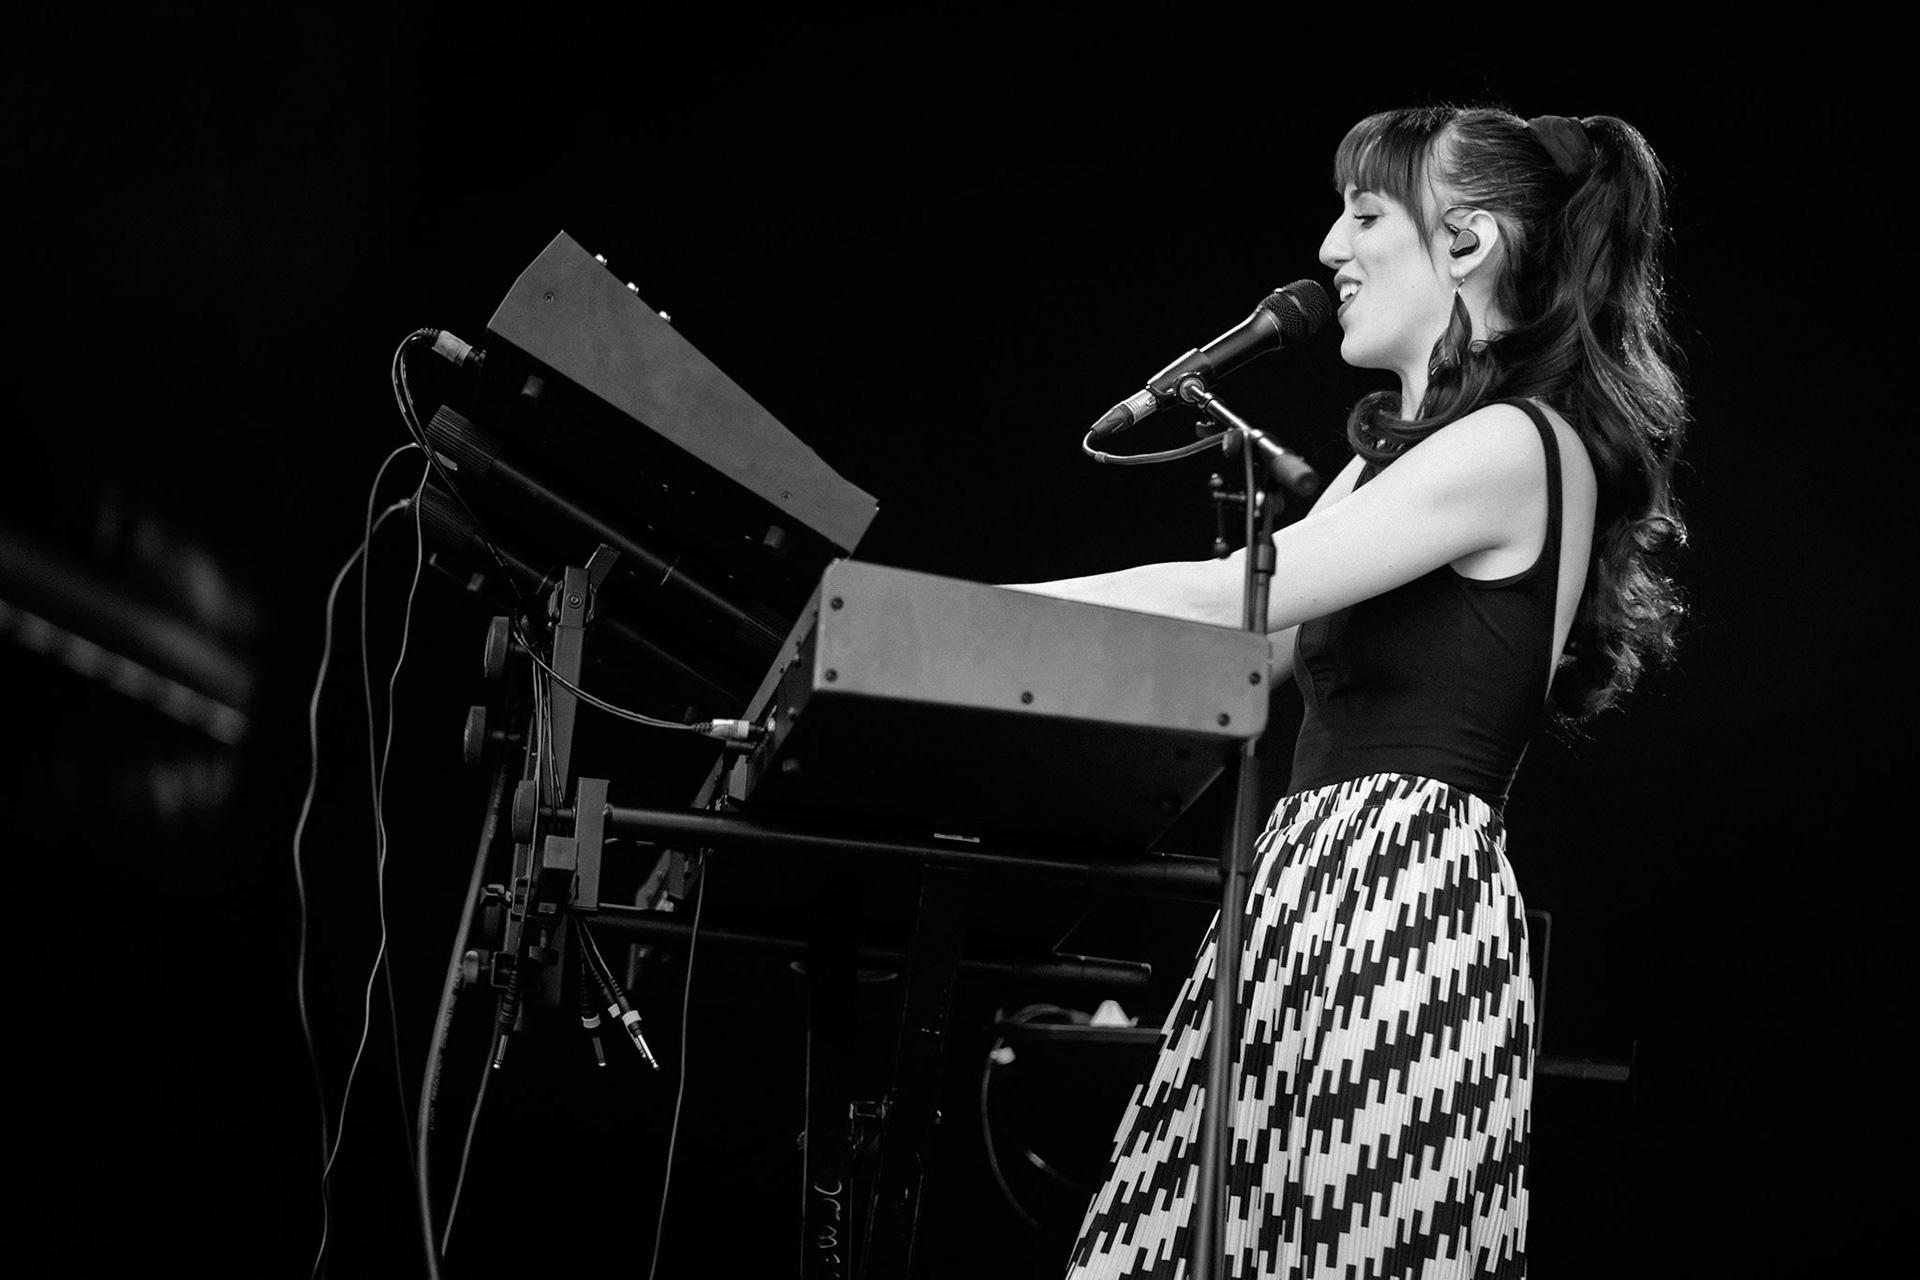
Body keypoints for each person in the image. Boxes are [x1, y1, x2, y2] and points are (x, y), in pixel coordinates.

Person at [1016, 105, 1688, 1278]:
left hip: (1397, 900)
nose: (1329, 249)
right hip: (1307, 887)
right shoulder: (1410, 460)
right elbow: (1240, 654)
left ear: (1468, 243)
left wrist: (945, 610)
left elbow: (1237, 593)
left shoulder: (1516, 445)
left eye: (1366, 213)